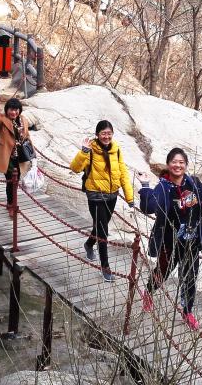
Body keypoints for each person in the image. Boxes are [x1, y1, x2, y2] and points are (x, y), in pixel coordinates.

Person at [137, 148, 202, 331]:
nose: (178, 165)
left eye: (181, 162)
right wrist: (145, 186)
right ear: (168, 164)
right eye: (174, 162)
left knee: (190, 276)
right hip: (169, 241)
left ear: (186, 165)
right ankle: (149, 292)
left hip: (191, 241)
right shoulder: (163, 187)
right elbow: (148, 207)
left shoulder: (193, 182)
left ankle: (187, 311)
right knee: (163, 271)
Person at [70, 121, 134, 283]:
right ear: (97, 134)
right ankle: (105, 267)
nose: (106, 136)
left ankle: (88, 244)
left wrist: (129, 197)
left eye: (109, 133)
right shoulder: (90, 149)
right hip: (96, 196)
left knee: (100, 226)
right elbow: (75, 168)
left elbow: (123, 173)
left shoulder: (116, 149)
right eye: (103, 133)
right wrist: (84, 152)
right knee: (103, 230)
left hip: (112, 196)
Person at [0, 96, 31, 218]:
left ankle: (12, 203)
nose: (13, 112)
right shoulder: (2, 120)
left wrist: (32, 152)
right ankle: (11, 205)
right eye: (11, 109)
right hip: (7, 156)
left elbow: (27, 136)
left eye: (16, 110)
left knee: (16, 181)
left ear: (19, 110)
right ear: (7, 110)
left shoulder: (23, 120)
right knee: (11, 181)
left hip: (20, 156)